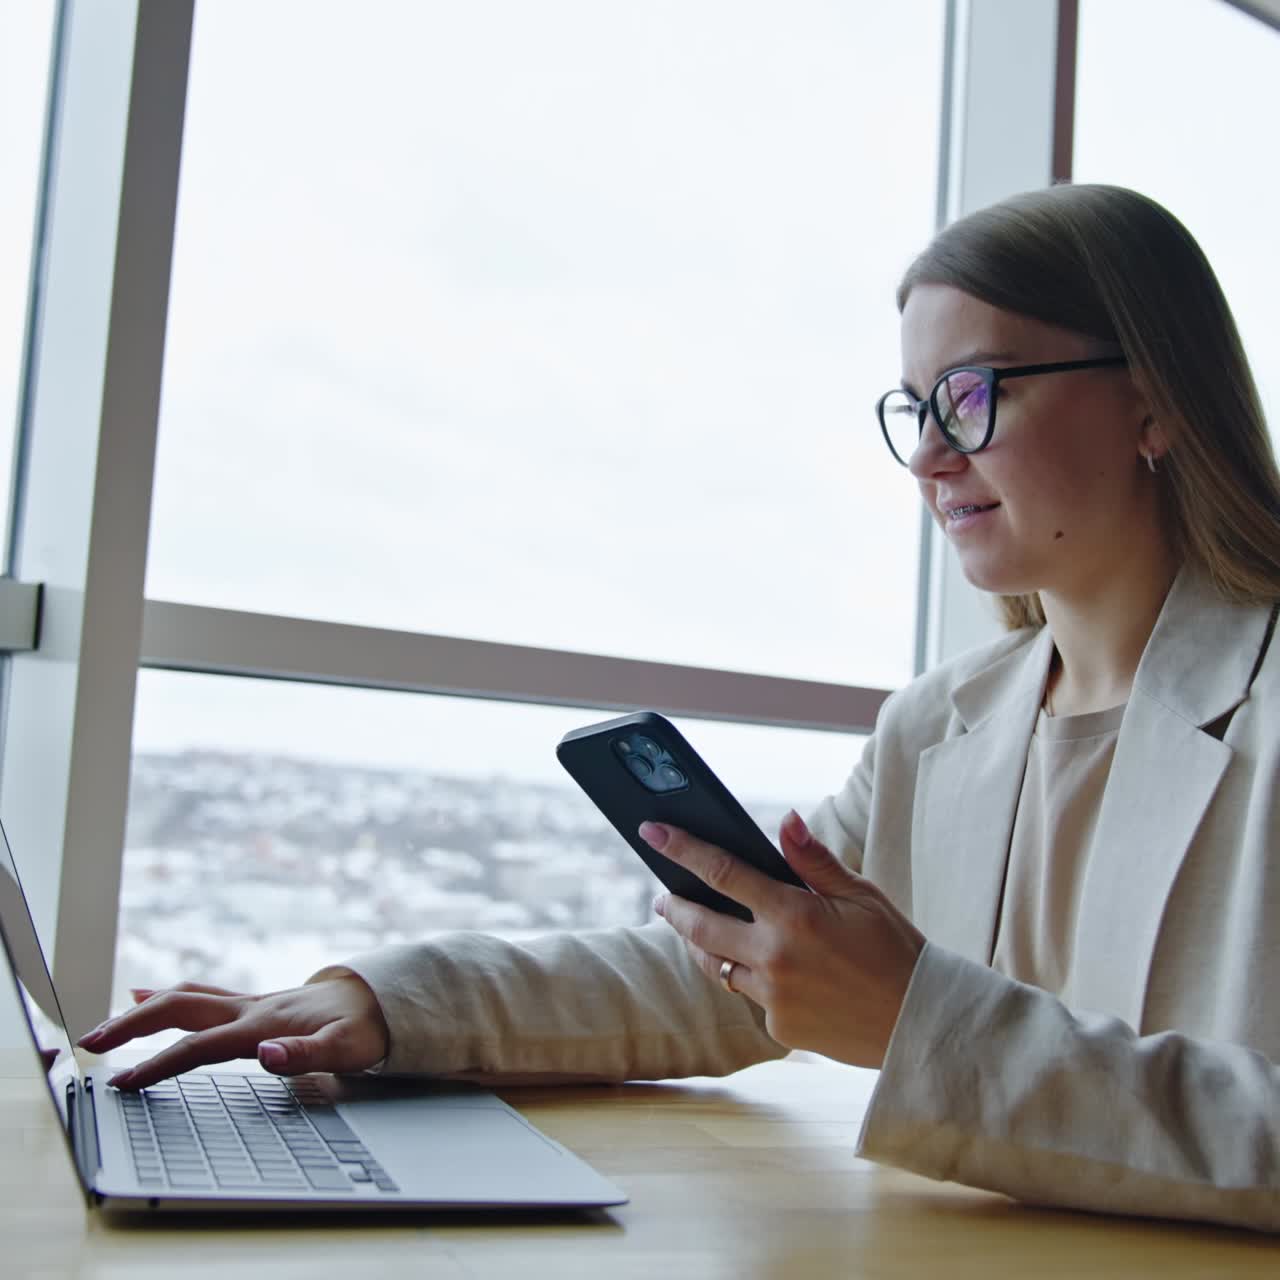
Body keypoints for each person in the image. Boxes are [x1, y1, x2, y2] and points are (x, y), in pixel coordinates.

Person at [79, 184, 1280, 1232]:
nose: (927, 454)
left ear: (1151, 401)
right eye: (912, 408)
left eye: (970, 394)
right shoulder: (939, 724)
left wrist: (921, 1022)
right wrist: (384, 1001)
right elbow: (720, 973)